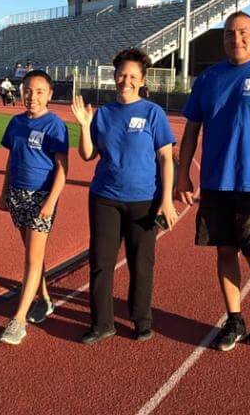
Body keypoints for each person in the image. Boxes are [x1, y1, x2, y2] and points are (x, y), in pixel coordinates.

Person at [176, 11, 250, 351]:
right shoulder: (209, 79)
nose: (237, 39)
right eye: (229, 34)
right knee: (225, 252)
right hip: (217, 183)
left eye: (243, 32)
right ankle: (234, 318)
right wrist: (182, 173)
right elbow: (191, 130)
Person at [71, 49, 177, 344]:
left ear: (142, 80)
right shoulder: (102, 114)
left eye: (132, 76)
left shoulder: (152, 113)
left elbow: (166, 159)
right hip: (105, 197)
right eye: (121, 74)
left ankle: (142, 319)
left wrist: (167, 200)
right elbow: (88, 154)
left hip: (145, 200)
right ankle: (102, 323)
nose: (125, 80)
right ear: (114, 76)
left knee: (141, 262)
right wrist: (84, 126)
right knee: (101, 263)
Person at [0, 70, 69, 345]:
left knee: (31, 259)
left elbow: (64, 168)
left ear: (50, 94)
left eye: (39, 91)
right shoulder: (15, 123)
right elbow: (10, 161)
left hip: (41, 198)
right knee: (31, 254)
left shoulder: (55, 125)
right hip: (17, 196)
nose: (32, 96)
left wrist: (50, 202)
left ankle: (18, 320)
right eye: (28, 90)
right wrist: (4, 193)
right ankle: (46, 299)